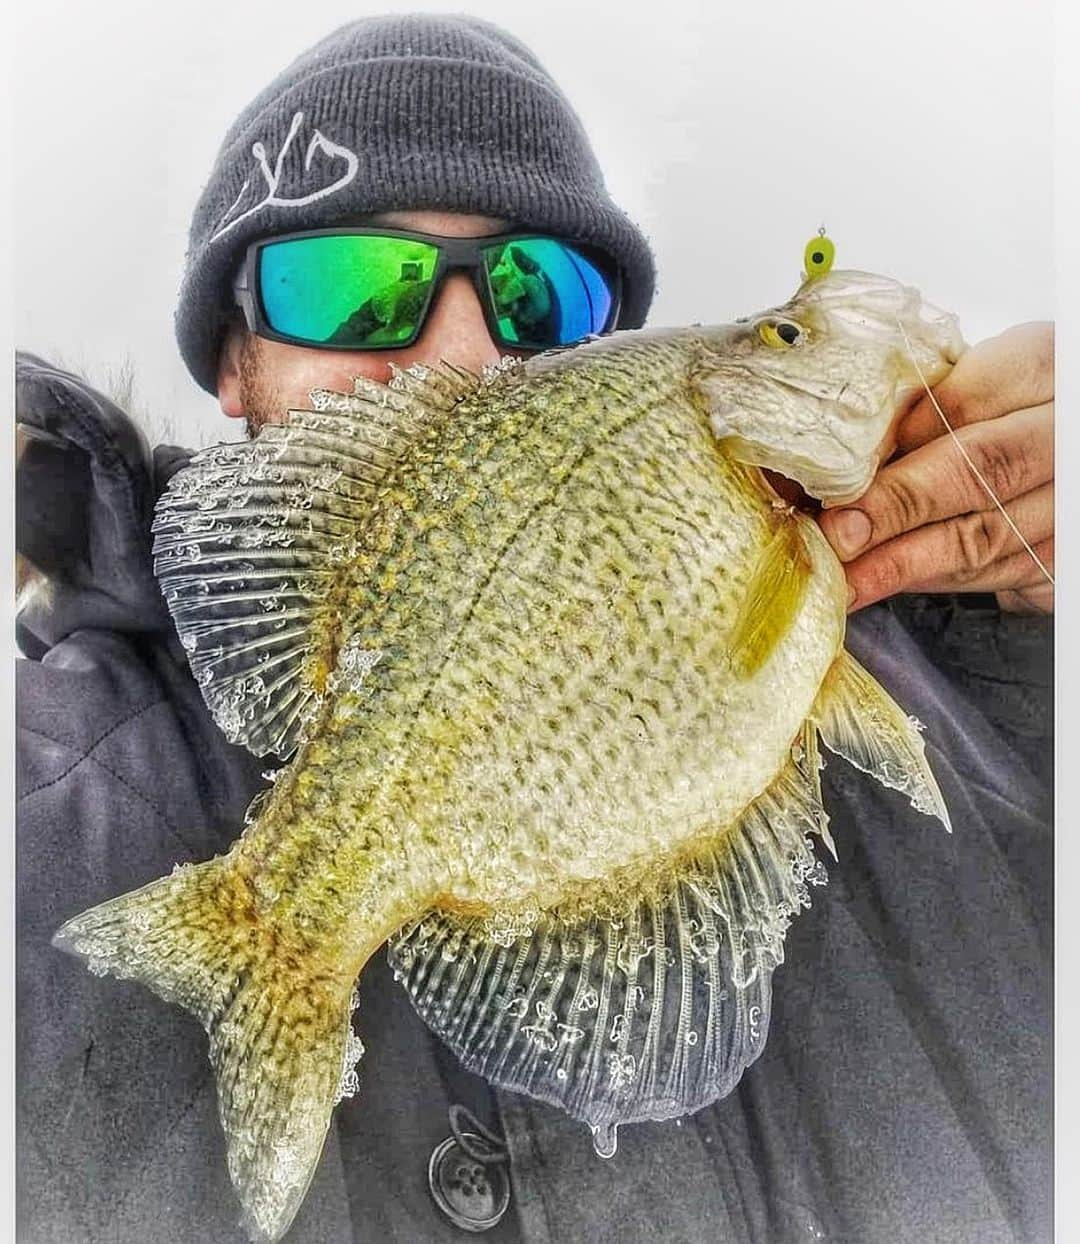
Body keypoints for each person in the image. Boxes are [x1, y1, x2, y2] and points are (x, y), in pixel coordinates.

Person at [15, 14, 1052, 1243]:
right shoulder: (57, 796)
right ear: (233, 364)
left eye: (538, 293)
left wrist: (1027, 638)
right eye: (354, 286)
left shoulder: (941, 668)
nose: (465, 353)